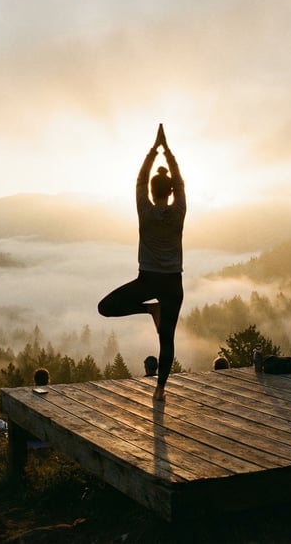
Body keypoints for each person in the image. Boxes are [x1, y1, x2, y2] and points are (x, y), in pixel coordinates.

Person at [98, 123, 186, 403]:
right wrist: (168, 152)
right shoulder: (179, 210)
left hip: (147, 278)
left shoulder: (145, 210)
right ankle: (160, 390)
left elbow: (139, 180)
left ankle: (149, 308)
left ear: (151, 190)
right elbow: (181, 182)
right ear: (171, 192)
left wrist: (153, 150)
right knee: (167, 339)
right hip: (173, 282)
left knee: (106, 307)